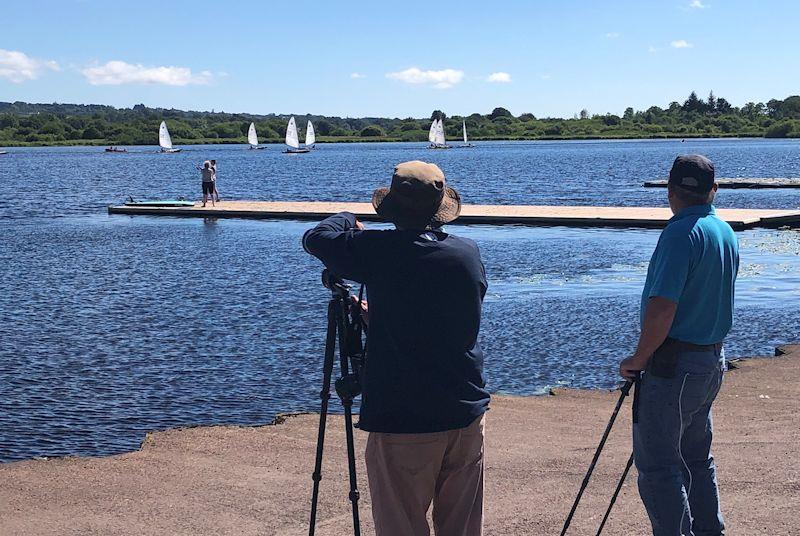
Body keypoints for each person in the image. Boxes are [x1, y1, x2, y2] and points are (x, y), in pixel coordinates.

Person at [303, 161, 489, 536]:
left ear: (392, 209)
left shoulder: (379, 251)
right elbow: (442, 324)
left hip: (404, 419)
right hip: (465, 412)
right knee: (462, 529)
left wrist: (347, 219)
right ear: (439, 210)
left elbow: (316, 239)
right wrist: (381, 316)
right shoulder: (466, 254)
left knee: (401, 527)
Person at [620, 154, 739, 536]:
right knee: (695, 457)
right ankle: (709, 530)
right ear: (712, 191)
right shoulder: (723, 230)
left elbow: (663, 307)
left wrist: (638, 358)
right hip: (711, 360)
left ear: (670, 190)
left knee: (658, 467)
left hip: (675, 364)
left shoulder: (679, 233)